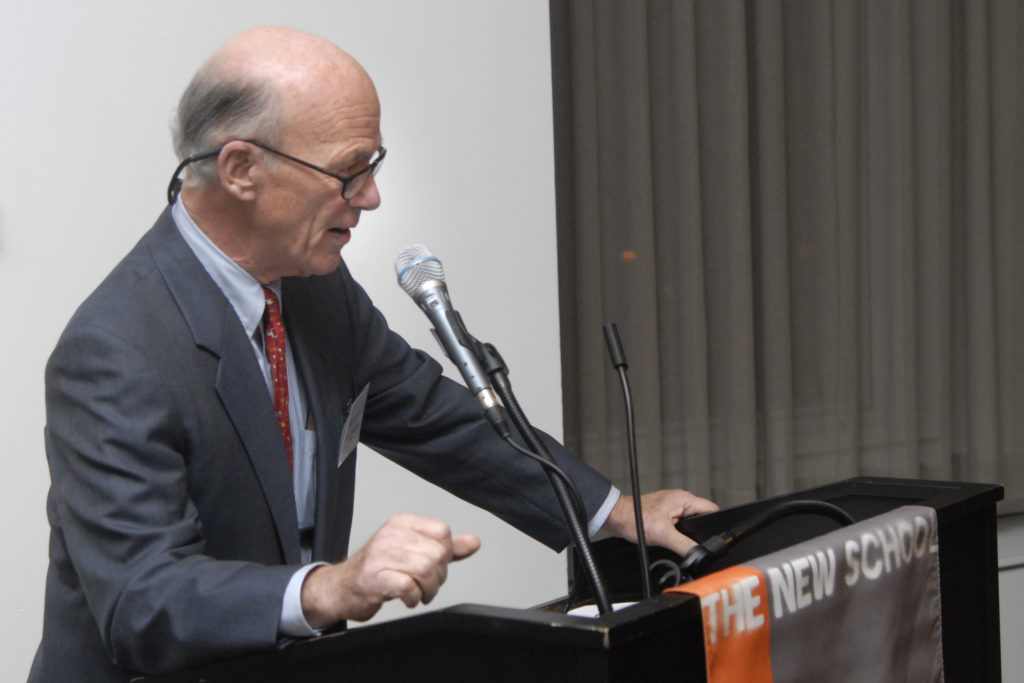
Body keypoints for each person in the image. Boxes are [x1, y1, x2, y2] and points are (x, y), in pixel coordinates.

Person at [29, 26, 717, 682]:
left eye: (374, 166)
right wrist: (331, 587)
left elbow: (437, 419)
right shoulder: (115, 350)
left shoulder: (317, 289)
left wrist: (611, 511)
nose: (371, 196)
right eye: (348, 171)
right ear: (241, 168)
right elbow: (143, 599)